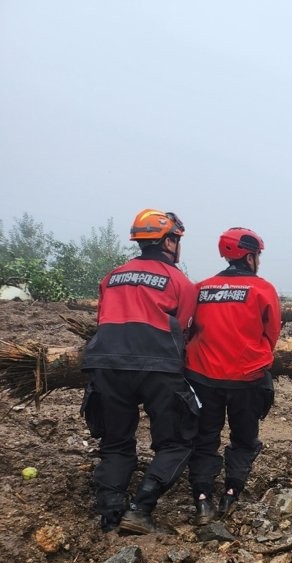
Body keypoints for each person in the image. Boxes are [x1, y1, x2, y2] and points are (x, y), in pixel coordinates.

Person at [80, 209, 198, 535]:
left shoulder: (112, 276)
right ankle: (142, 507)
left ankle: (110, 513)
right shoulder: (179, 281)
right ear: (169, 241)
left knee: (116, 442)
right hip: (159, 367)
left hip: (105, 365)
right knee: (176, 441)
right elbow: (185, 330)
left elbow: (103, 318)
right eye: (176, 239)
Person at [185, 228, 281, 525]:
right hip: (247, 379)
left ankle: (202, 500)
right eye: (258, 257)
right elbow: (272, 333)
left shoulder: (201, 288)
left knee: (204, 440)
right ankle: (230, 492)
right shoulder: (264, 290)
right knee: (244, 440)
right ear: (249, 256)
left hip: (202, 377)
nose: (259, 262)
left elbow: (189, 328)